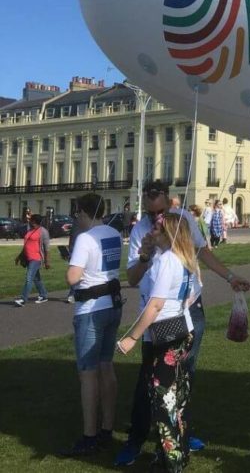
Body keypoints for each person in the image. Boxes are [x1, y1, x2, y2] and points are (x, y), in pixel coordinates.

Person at [115, 180, 250, 467]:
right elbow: (133, 278)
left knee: (183, 378)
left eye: (161, 212)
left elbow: (201, 253)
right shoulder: (142, 231)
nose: (157, 220)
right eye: (152, 214)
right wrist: (146, 253)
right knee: (149, 383)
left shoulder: (183, 220)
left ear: (168, 200)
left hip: (187, 311)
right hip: (157, 317)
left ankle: (179, 437)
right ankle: (137, 438)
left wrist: (229, 277)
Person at [116, 213, 199, 472]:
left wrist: (131, 337)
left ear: (168, 234)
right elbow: (192, 295)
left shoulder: (167, 260)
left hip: (163, 336)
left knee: (163, 401)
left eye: (158, 228)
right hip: (183, 329)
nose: (152, 231)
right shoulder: (186, 259)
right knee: (178, 398)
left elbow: (155, 305)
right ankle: (179, 452)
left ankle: (170, 462)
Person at [61, 192, 123, 456]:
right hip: (112, 304)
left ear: (83, 213)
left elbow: (73, 277)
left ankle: (89, 435)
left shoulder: (85, 238)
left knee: (87, 373)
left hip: (91, 308)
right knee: (106, 366)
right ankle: (107, 428)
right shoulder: (114, 234)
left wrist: (72, 265)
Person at [14, 213, 50, 306]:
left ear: (34, 221)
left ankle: (23, 299)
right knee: (36, 279)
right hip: (28, 258)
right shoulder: (30, 230)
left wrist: (46, 261)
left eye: (30, 220)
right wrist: (19, 256)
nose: (29, 221)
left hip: (36, 258)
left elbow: (46, 248)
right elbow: (26, 245)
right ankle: (44, 295)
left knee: (29, 278)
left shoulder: (43, 231)